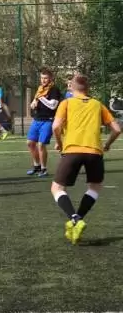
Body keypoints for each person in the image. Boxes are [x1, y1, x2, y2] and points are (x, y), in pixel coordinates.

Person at [51, 74, 121, 244]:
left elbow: (56, 126)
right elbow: (117, 129)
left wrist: (59, 143)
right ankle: (79, 217)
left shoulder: (66, 103)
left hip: (72, 150)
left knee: (57, 188)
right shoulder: (98, 104)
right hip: (95, 152)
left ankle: (74, 218)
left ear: (71, 87)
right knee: (95, 187)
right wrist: (107, 144)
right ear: (87, 89)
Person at [27, 68, 62, 177]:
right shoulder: (40, 89)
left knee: (41, 144)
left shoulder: (54, 89)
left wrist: (41, 98)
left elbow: (53, 106)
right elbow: (34, 102)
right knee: (30, 143)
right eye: (42, 78)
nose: (43, 80)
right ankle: (36, 166)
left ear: (51, 78)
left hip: (48, 120)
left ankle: (43, 169)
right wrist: (33, 104)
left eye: (45, 78)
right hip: (36, 120)